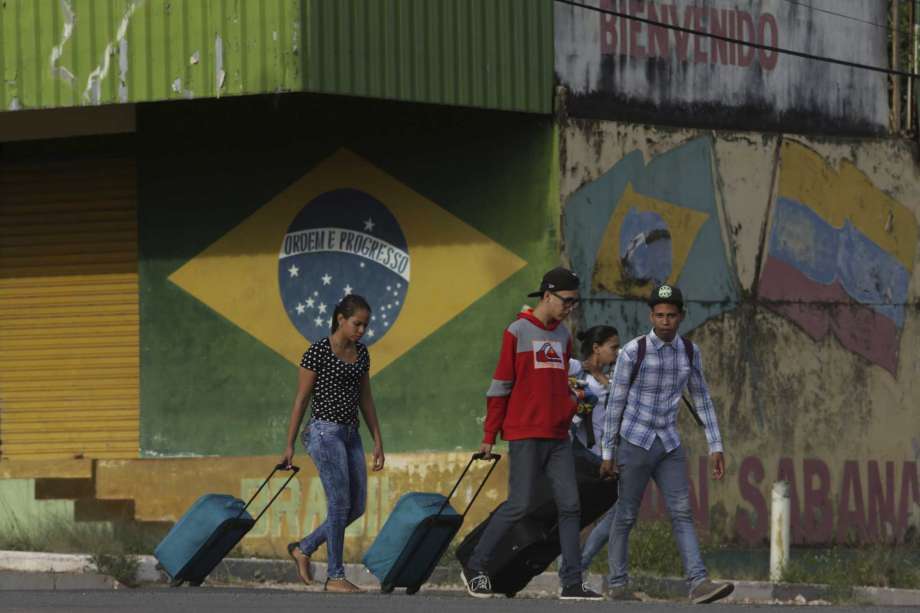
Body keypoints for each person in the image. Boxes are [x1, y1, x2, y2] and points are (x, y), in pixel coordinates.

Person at [462, 267, 602, 601]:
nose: (570, 307)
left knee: (571, 506)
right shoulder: (517, 331)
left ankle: (571, 582)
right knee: (519, 505)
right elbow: (500, 386)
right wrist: (489, 434)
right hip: (525, 433)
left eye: (574, 302)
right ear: (548, 295)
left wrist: (569, 406)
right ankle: (476, 568)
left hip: (558, 437)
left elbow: (561, 384)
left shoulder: (564, 336)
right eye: (566, 301)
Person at [599, 284, 733, 603]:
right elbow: (615, 404)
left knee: (683, 511)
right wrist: (608, 452)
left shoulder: (689, 352)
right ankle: (617, 583)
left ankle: (698, 582)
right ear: (651, 316)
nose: (665, 321)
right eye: (659, 315)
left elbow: (701, 399)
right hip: (635, 441)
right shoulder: (634, 351)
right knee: (627, 514)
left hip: (668, 444)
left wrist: (716, 444)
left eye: (671, 315)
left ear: (681, 316)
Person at [280, 294, 385, 593]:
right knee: (339, 503)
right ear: (341, 319)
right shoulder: (317, 352)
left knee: (356, 507)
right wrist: (288, 445)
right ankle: (335, 576)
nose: (361, 330)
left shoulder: (362, 354)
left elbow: (366, 397)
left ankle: (304, 548)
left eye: (365, 325)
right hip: (324, 433)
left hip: (352, 434)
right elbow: (301, 400)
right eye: (357, 324)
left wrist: (377, 438)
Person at [567, 326, 621, 577]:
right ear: (596, 347)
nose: (618, 352)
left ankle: (578, 569)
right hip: (587, 457)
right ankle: (573, 571)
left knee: (617, 514)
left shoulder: (611, 378)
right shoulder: (578, 375)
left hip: (607, 455)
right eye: (613, 347)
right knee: (585, 518)